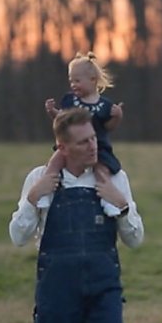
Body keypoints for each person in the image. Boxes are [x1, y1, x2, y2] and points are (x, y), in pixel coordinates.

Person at [9, 107, 144, 323]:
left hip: (103, 290)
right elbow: (17, 236)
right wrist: (33, 196)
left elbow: (135, 239)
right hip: (56, 292)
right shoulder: (40, 178)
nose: (93, 147)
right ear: (62, 147)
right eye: (83, 142)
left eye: (94, 138)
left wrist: (123, 207)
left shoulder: (114, 177)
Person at [39, 51, 125, 216]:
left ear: (92, 80)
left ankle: (109, 202)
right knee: (54, 163)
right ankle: (44, 193)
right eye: (71, 81)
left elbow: (108, 127)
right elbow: (62, 121)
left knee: (102, 172)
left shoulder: (104, 105)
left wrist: (117, 116)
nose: (73, 84)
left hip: (99, 148)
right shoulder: (70, 101)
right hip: (71, 145)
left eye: (77, 81)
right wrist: (52, 112)